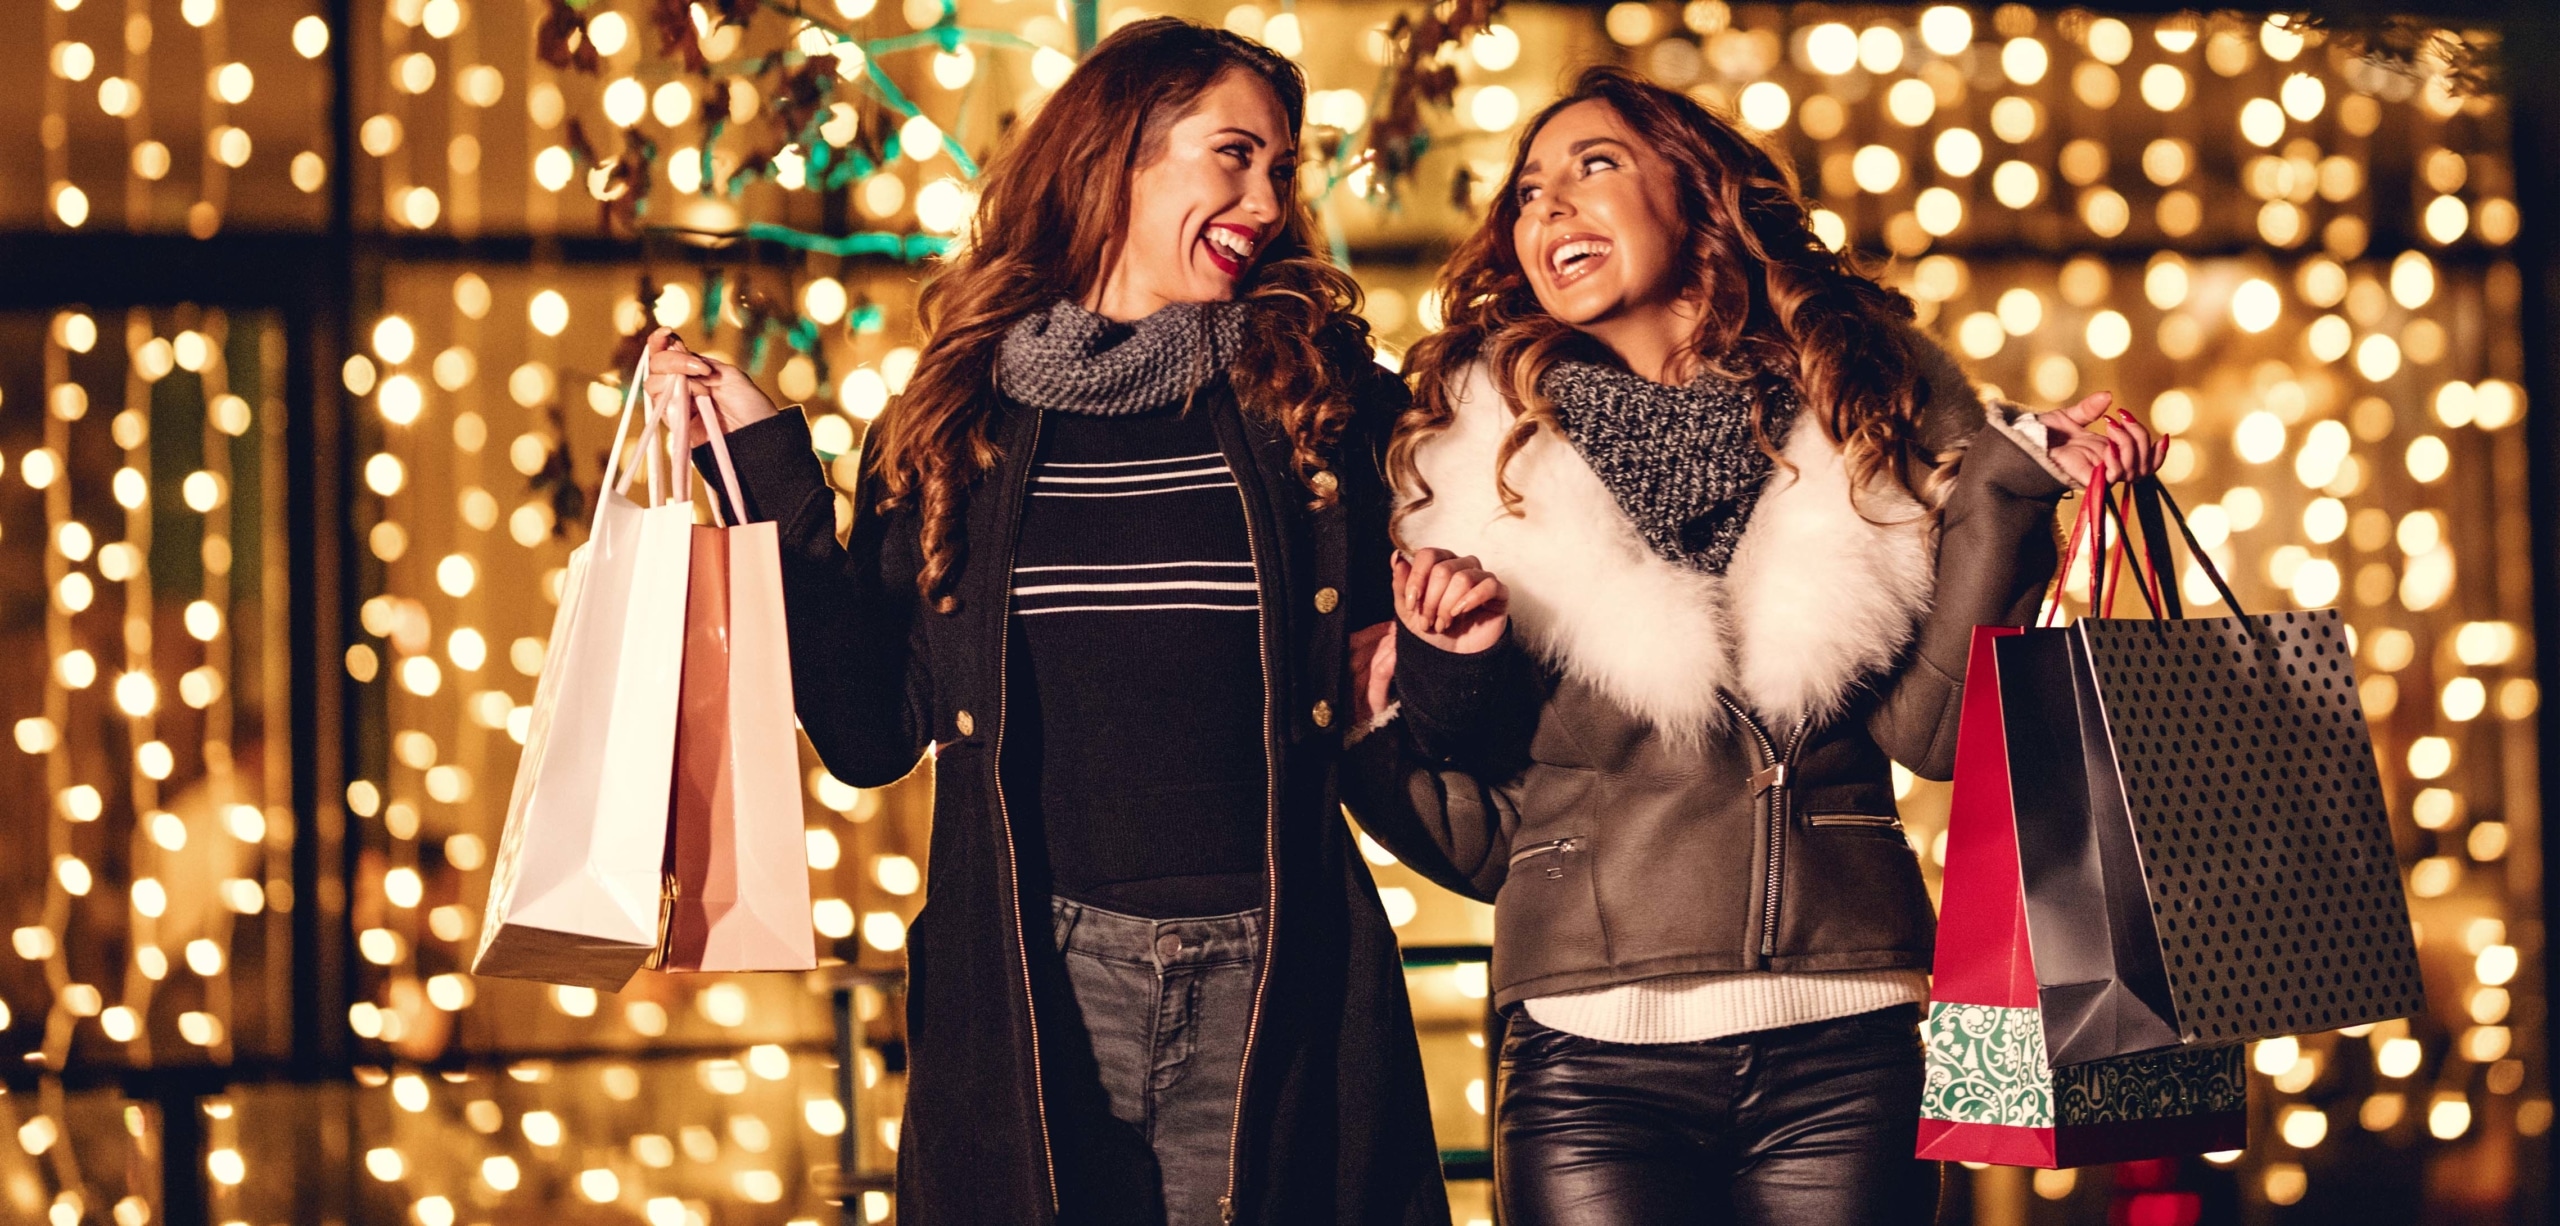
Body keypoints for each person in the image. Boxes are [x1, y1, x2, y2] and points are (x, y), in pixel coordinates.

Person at [643, 19, 1460, 1226]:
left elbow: (1446, 654)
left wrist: (1451, 648)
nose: (1266, 199)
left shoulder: (1322, 398)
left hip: (1274, 973)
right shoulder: (955, 418)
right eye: (1231, 154)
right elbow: (873, 730)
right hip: (1032, 979)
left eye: (1281, 169)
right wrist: (767, 468)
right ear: (1117, 155)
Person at [1345, 67, 2168, 1225]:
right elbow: (1468, 761)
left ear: (1698, 195)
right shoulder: (1475, 453)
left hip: (1850, 1041)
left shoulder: (1868, 400)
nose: (1549, 209)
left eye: (1594, 166)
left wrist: (2011, 487)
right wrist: (1449, 651)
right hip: (1591, 1058)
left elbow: (1933, 736)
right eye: (1528, 191)